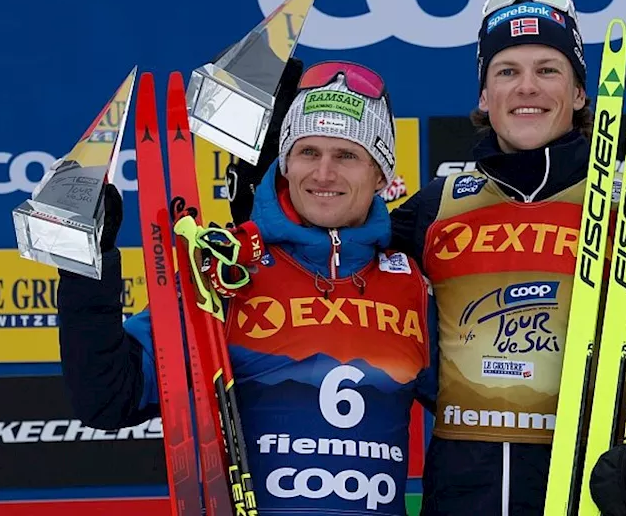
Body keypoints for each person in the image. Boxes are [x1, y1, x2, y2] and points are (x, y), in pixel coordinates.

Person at [389, 0, 626, 516]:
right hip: (458, 497)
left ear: (578, 93)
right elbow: (337, 268)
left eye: (548, 70)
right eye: (507, 72)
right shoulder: (431, 211)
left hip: (584, 495)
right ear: (483, 95)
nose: (527, 88)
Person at [57, 60, 437, 515]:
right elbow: (109, 397)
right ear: (285, 162)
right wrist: (88, 269)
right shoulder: (228, 271)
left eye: (347, 155)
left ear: (381, 174)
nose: (323, 174)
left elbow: (476, 419)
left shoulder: (411, 285)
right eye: (308, 152)